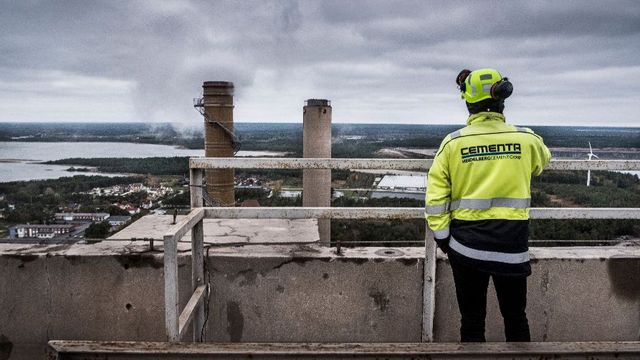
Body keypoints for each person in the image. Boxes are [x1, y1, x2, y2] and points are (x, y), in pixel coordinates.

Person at [425, 68, 551, 342]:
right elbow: (543, 160)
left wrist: (444, 238)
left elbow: (435, 199)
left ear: (468, 103)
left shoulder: (452, 144)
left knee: (471, 322)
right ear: (502, 100)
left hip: (465, 246)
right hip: (511, 244)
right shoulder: (526, 139)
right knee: (516, 319)